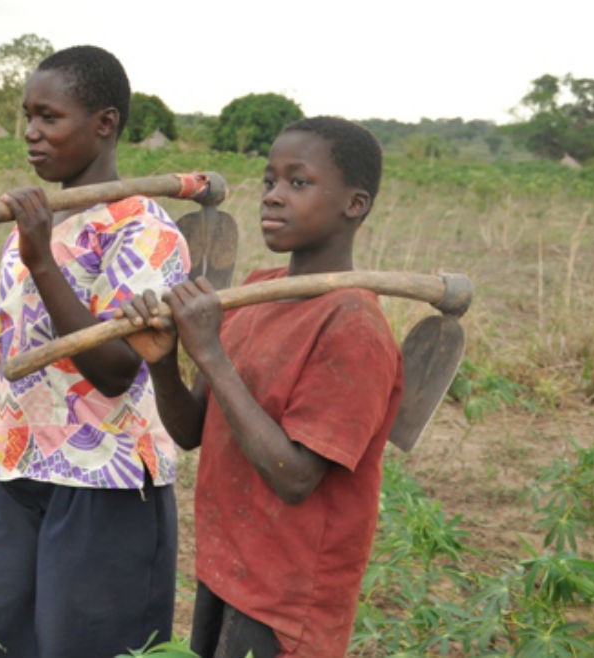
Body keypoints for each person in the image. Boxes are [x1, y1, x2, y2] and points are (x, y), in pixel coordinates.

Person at [0, 45, 190, 658]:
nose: (30, 133)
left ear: (104, 123)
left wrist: (42, 262)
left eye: (49, 117)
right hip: (20, 476)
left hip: (105, 492)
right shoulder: (37, 226)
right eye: (27, 116)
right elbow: (18, 372)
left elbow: (112, 372)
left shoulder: (147, 232)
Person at [119, 116, 404, 658]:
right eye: (270, 180)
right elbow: (190, 431)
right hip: (228, 570)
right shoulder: (256, 292)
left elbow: (295, 476)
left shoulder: (353, 326)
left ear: (355, 204)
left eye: (298, 183)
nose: (272, 197)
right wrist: (162, 360)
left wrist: (210, 351)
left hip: (290, 601)